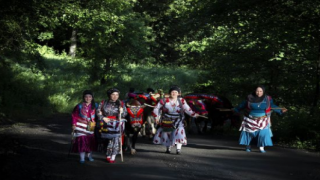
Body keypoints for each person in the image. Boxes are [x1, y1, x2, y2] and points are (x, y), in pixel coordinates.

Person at [232, 85, 288, 153]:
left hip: (263, 119)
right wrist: (236, 109)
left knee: (263, 133)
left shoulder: (268, 99)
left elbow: (272, 106)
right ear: (255, 91)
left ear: (263, 91)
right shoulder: (249, 98)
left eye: (260, 91)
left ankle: (261, 147)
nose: (259, 93)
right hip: (250, 119)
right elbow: (242, 105)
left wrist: (280, 110)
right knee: (248, 133)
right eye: (257, 91)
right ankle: (248, 146)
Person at [152, 86, 199, 154]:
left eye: (175, 92)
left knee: (179, 133)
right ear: (169, 93)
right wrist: (156, 117)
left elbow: (187, 109)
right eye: (172, 92)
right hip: (166, 120)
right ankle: (168, 148)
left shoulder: (182, 100)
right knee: (167, 134)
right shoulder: (164, 100)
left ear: (178, 94)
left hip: (178, 120)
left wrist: (194, 114)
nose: (174, 93)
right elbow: (156, 108)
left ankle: (178, 149)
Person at [96, 88, 127, 163]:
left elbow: (125, 114)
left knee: (116, 139)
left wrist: (122, 112)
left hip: (117, 123)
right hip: (106, 123)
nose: (115, 96)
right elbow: (98, 112)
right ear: (109, 95)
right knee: (107, 139)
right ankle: (107, 154)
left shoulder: (121, 103)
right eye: (113, 94)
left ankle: (113, 155)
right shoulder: (104, 102)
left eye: (117, 95)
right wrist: (103, 117)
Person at [71, 90, 97, 164]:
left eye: (89, 97)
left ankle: (89, 156)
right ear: (83, 97)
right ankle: (82, 158)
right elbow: (74, 116)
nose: (88, 98)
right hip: (81, 125)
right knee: (82, 141)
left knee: (90, 141)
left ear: (92, 98)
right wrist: (73, 124)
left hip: (91, 125)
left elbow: (99, 114)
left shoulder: (95, 106)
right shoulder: (79, 106)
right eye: (86, 96)